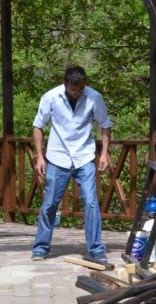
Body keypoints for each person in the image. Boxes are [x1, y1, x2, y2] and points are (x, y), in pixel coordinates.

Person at [31, 65, 113, 264]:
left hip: (84, 156)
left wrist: (104, 153)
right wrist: (40, 157)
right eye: (73, 89)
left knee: (91, 202)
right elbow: (38, 125)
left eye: (80, 89)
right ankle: (40, 248)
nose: (77, 93)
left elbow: (105, 125)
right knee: (50, 203)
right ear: (65, 84)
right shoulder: (51, 97)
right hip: (57, 157)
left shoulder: (94, 97)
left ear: (85, 85)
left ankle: (96, 249)